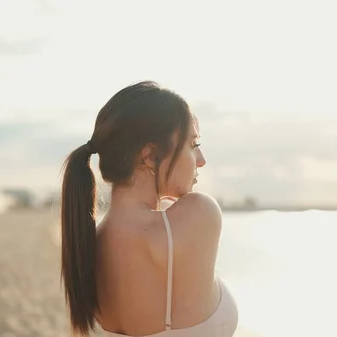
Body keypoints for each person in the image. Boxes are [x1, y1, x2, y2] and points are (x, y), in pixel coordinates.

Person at [60, 81, 238, 336]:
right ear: (149, 156)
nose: (201, 160)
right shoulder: (199, 213)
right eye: (193, 145)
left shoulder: (89, 245)